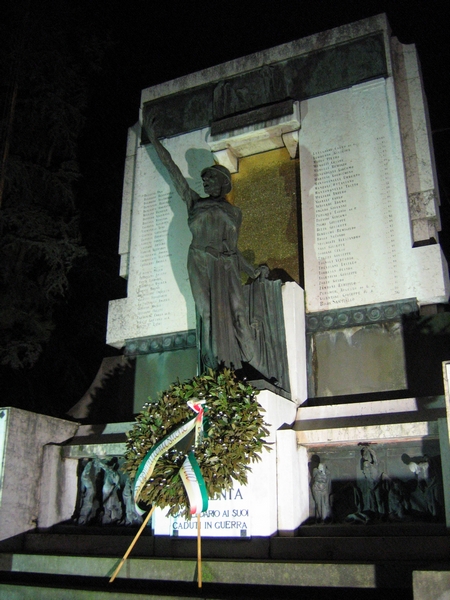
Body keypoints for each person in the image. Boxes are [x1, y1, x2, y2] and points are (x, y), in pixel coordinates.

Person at [145, 117, 262, 372]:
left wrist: (251, 270)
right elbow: (172, 170)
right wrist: (154, 140)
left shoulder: (234, 212)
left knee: (238, 312)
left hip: (225, 264)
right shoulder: (194, 202)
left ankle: (251, 363)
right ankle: (212, 369)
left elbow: (234, 247)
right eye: (204, 179)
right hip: (199, 259)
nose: (205, 182)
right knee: (206, 313)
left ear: (222, 183)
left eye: (210, 179)